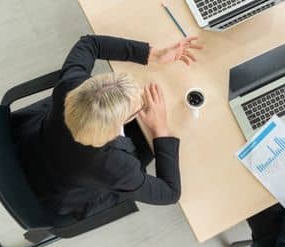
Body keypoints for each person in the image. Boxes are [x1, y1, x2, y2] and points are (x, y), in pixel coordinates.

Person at [17, 34, 201, 220]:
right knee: (146, 147)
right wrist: (160, 129)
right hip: (56, 194)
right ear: (114, 130)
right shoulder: (116, 166)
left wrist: (153, 55)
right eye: (135, 109)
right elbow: (169, 193)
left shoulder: (70, 86)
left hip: (33, 142)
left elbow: (89, 43)